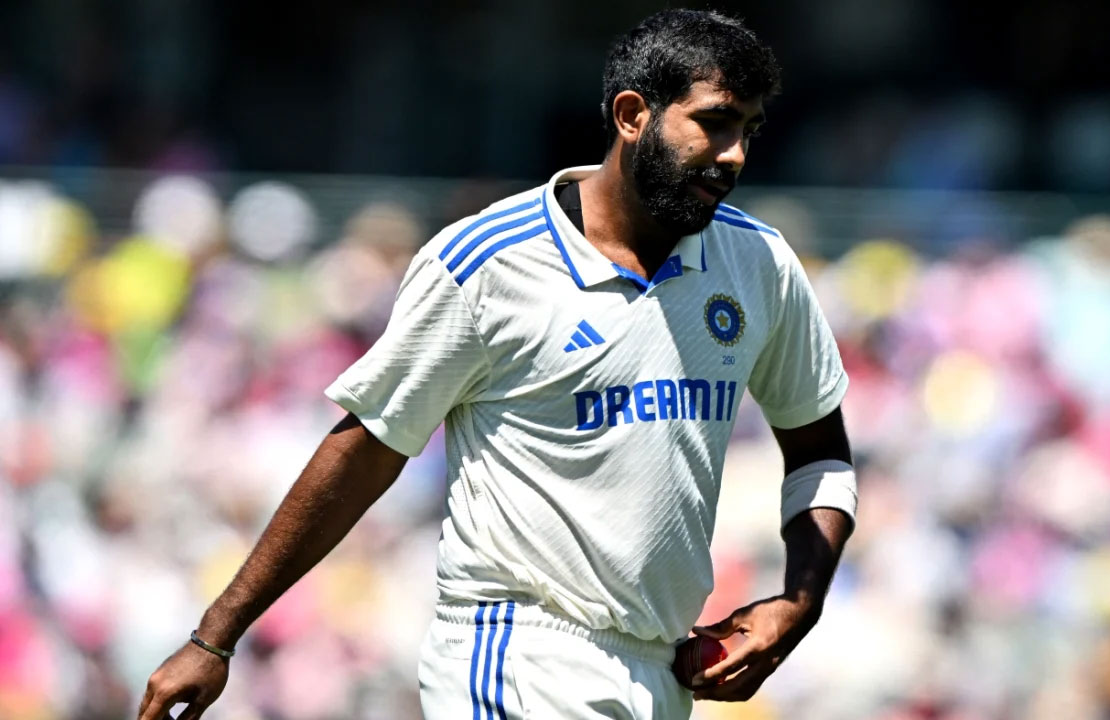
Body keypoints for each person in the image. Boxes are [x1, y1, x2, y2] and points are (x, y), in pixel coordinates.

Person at [137, 9, 856, 720]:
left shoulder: (758, 263)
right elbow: (367, 449)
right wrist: (216, 635)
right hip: (515, 655)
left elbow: (821, 453)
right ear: (633, 115)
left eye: (748, 129)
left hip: (662, 673)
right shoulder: (487, 262)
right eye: (715, 122)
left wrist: (800, 601)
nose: (734, 154)